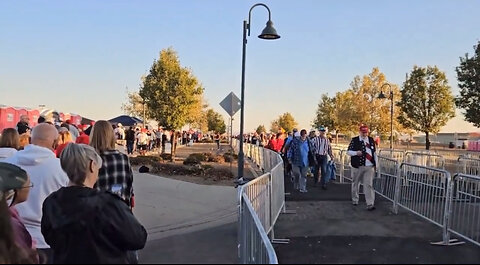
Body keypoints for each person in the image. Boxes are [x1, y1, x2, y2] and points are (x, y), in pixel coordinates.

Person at [41, 144, 147, 264]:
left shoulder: (51, 202)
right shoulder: (108, 203)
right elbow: (137, 238)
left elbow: (49, 238)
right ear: (92, 165)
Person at [3, 123, 69, 262]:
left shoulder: (9, 164)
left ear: (31, 139)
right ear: (55, 143)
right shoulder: (61, 169)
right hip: (46, 240)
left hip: (11, 237)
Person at [90, 120, 135, 208]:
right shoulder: (123, 159)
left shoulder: (90, 160)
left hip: (97, 213)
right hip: (120, 212)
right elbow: (129, 186)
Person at [0, 162, 38, 264]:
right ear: (15, 191)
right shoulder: (11, 224)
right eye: (28, 186)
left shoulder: (11, 213)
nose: (29, 189)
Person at [347, 125, 377, 211]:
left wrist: (375, 165)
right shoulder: (355, 140)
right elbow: (348, 151)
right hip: (357, 166)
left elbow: (374, 153)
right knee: (355, 183)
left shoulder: (371, 140)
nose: (364, 134)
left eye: (366, 132)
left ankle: (370, 203)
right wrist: (356, 153)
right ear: (360, 132)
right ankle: (355, 199)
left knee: (368, 185)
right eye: (363, 132)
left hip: (369, 166)